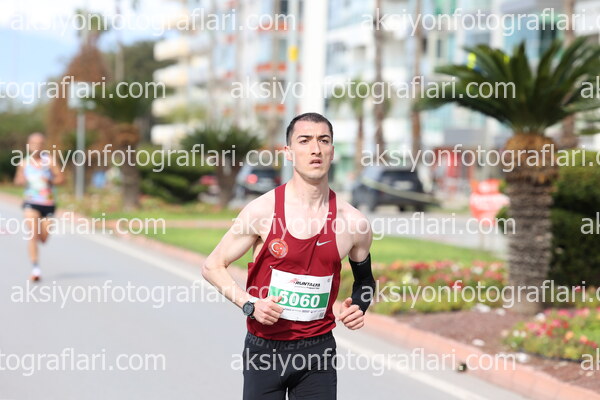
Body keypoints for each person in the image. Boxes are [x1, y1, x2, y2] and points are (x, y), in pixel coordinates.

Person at [202, 113, 376, 399]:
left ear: (332, 151)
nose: (315, 149)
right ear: (289, 152)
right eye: (304, 141)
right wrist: (249, 304)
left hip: (318, 353)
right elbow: (212, 266)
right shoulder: (262, 211)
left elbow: (365, 282)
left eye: (324, 141)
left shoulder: (354, 222)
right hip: (265, 351)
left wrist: (359, 305)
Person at [13, 133, 64, 281]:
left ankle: (40, 239)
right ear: (29, 145)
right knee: (33, 235)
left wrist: (50, 181)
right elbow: (17, 180)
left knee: (43, 238)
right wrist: (20, 180)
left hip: (48, 203)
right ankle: (36, 270)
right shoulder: (24, 163)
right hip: (31, 202)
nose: (37, 146)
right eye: (34, 143)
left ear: (44, 145)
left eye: (40, 143)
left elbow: (61, 179)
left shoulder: (50, 161)